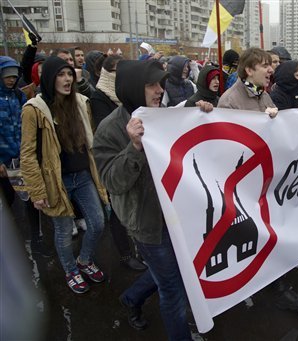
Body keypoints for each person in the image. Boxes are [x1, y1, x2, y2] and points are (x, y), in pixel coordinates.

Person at [93, 59, 211, 338]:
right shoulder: (110, 129)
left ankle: (132, 298)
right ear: (134, 88)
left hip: (176, 215)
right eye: (151, 85)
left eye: (160, 84)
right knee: (173, 289)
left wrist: (203, 112)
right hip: (146, 223)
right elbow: (112, 182)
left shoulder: (164, 116)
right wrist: (134, 147)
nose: (160, 90)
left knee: (177, 272)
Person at [218, 47, 298, 312]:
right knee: (262, 235)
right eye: (264, 66)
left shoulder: (265, 95)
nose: (271, 69)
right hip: (245, 185)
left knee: (268, 233)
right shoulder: (230, 100)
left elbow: (280, 135)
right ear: (249, 70)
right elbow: (227, 148)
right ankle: (276, 290)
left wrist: (297, 117)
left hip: (266, 180)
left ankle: (269, 283)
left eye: (271, 65)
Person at [20, 56, 108, 294]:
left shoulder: (81, 102)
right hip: (56, 180)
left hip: (83, 175)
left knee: (98, 222)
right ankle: (70, 270)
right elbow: (27, 154)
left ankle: (84, 260)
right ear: (50, 78)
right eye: (61, 74)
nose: (67, 79)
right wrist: (37, 190)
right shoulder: (34, 110)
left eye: (69, 74)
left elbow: (91, 140)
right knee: (63, 231)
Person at [89, 55, 147, 272]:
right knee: (118, 211)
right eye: (115, 70)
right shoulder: (100, 99)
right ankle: (125, 254)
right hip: (119, 160)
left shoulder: (139, 103)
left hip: (136, 166)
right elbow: (111, 134)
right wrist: (133, 142)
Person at [0, 56, 51, 257]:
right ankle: (9, 246)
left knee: (31, 201)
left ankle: (37, 242)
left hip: (22, 159)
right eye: (6, 76)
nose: (11, 80)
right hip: (4, 163)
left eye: (14, 76)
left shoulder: (19, 97)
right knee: (8, 204)